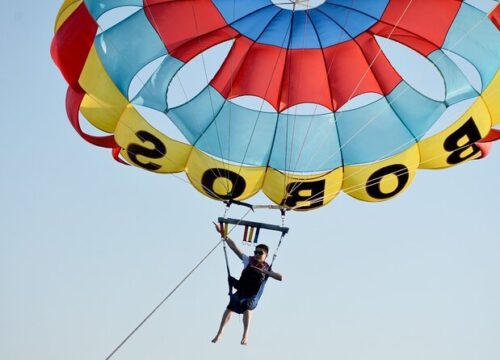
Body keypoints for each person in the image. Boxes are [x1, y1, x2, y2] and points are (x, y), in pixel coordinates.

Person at [211, 223, 283, 345]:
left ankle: (245, 335)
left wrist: (264, 271)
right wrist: (222, 234)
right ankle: (220, 333)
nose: (257, 254)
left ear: (266, 255)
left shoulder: (267, 268)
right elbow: (234, 247)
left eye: (260, 253)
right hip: (241, 290)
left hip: (252, 296)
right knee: (231, 305)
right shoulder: (248, 260)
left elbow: (280, 277)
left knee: (248, 307)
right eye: (256, 252)